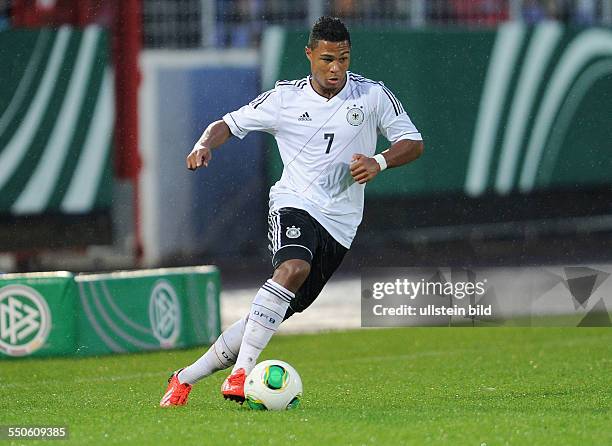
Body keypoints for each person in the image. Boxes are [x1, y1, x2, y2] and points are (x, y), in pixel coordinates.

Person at [160, 16, 424, 407]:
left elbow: (413, 141)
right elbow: (228, 124)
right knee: (292, 270)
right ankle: (240, 375)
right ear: (309, 55)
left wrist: (380, 161)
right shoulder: (284, 98)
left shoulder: (372, 96)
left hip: (341, 224)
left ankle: (183, 379)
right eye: (327, 59)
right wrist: (204, 144)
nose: (336, 68)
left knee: (269, 316)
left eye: (344, 59)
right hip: (294, 203)